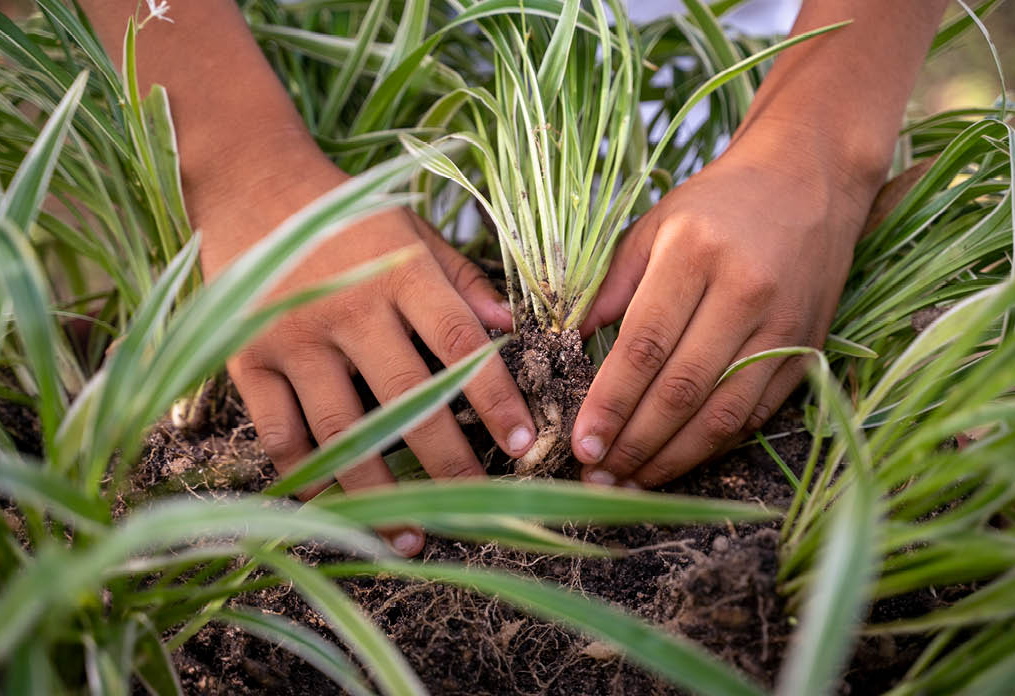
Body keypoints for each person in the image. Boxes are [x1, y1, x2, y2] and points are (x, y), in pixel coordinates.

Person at [78, 0, 948, 555]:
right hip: (303, 86)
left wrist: (824, 143)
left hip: (743, 95)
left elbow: (826, 135)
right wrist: (241, 160)